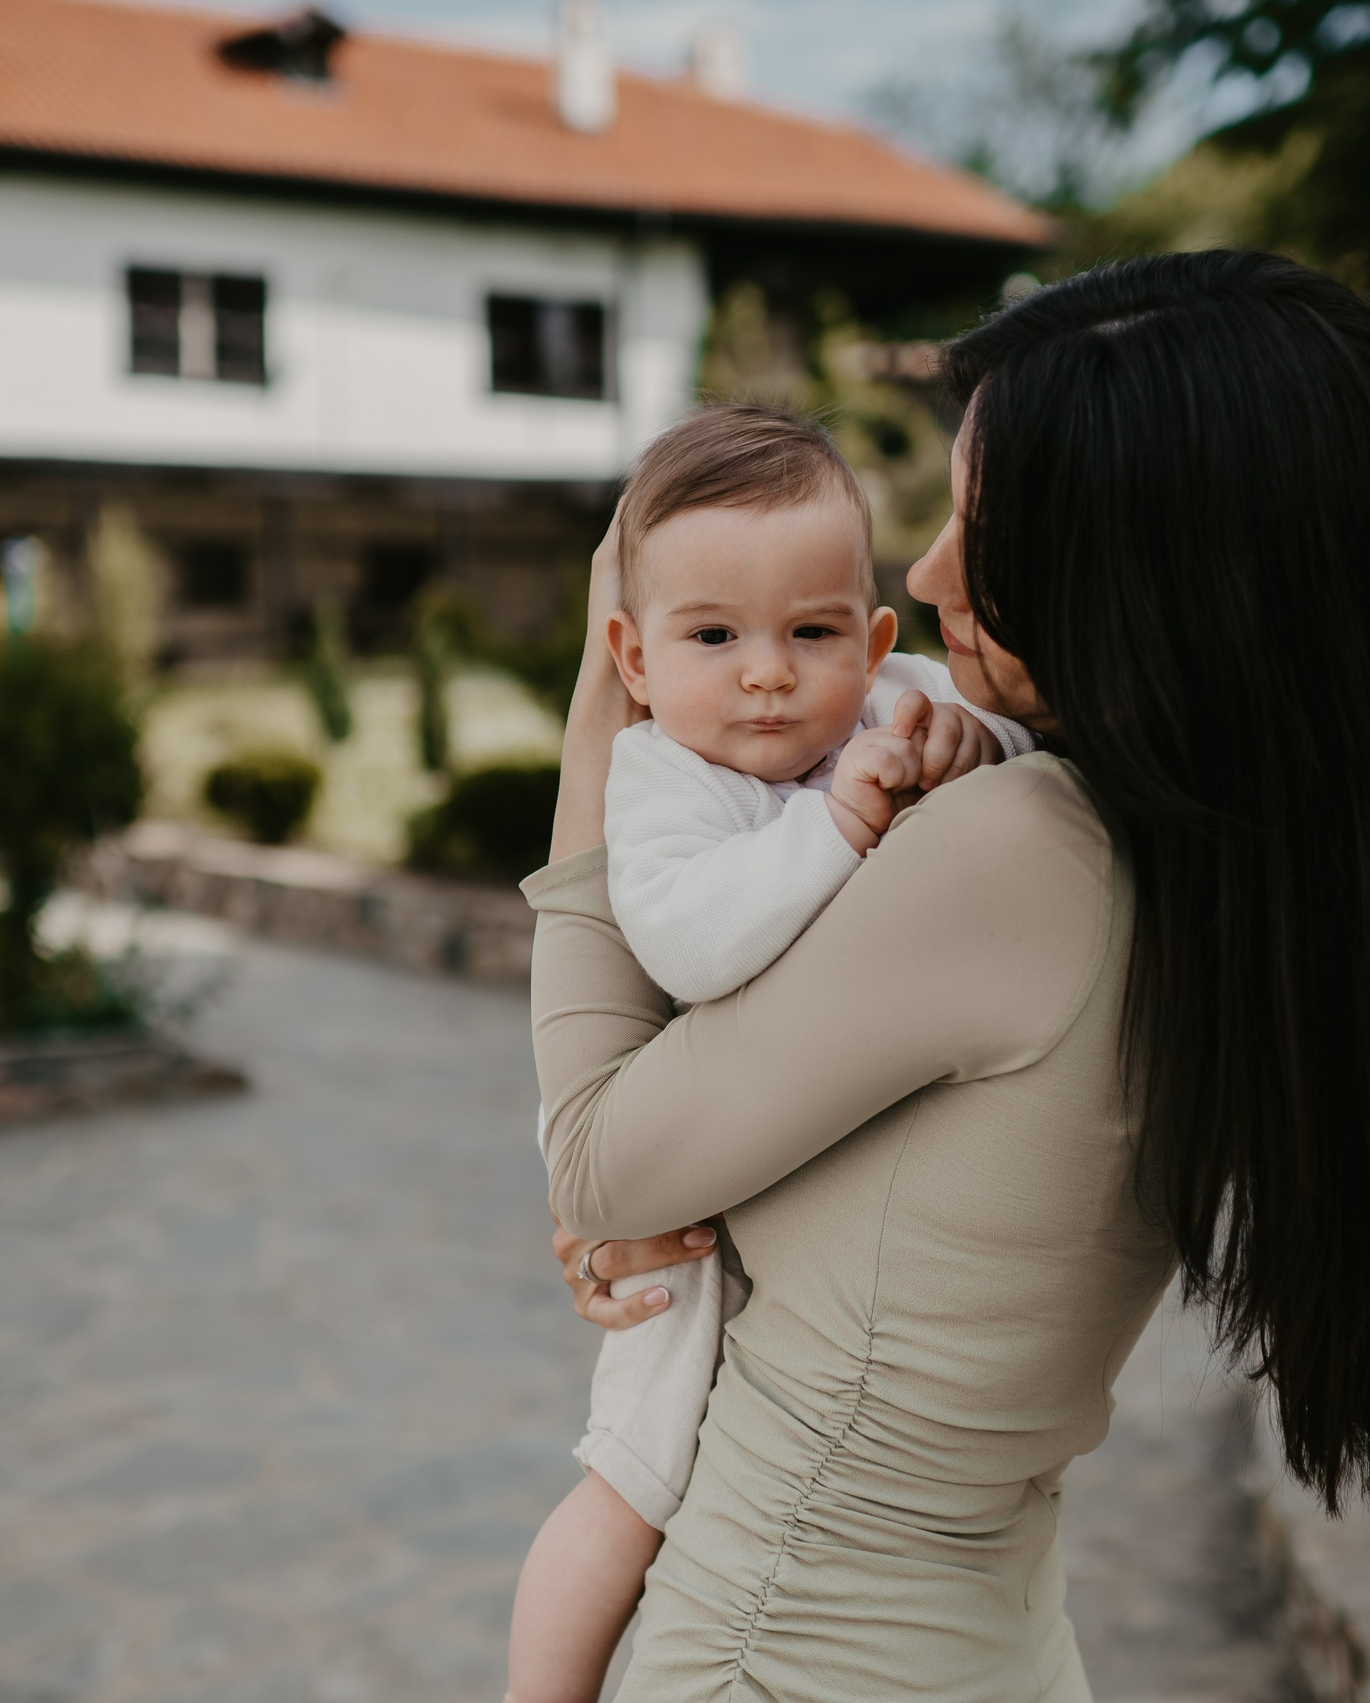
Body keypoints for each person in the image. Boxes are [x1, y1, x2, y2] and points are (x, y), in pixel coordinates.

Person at [523, 251, 1370, 1702]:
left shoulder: (1017, 854)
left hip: (780, 1656)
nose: (921, 578)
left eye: (984, 526)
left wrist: (615, 711)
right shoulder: (1224, 867)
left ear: (1159, 569)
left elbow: (601, 1156)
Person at [506, 405, 1032, 1703]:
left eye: (812, 632)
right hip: (680, 1192)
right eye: (712, 637)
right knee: (632, 1482)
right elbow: (691, 947)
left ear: (877, 639)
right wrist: (839, 828)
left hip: (790, 1181)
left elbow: (1027, 761)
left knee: (721, 1478)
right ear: (630, 657)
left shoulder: (894, 708)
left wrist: (976, 743)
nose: (766, 675)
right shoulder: (664, 779)